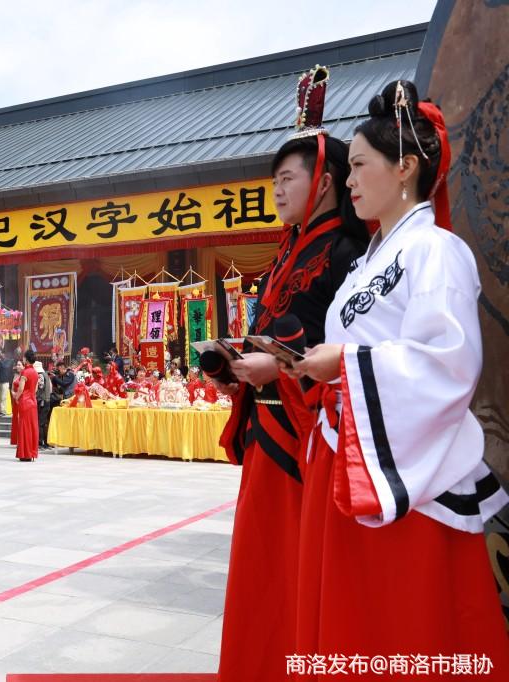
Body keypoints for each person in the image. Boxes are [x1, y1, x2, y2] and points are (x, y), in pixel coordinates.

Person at [281, 79, 509, 676]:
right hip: (353, 448)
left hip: (399, 468)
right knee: (355, 620)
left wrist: (348, 363)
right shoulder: (368, 262)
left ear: (405, 167)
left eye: (358, 165)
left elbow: (448, 363)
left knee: (399, 620)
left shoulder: (436, 251)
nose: (348, 180)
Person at [213, 66, 370, 682]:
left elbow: (349, 352)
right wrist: (238, 370)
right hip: (270, 433)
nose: (276, 191)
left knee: (292, 572)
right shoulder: (288, 249)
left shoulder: (346, 253)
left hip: (307, 441)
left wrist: (278, 374)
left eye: (287, 178)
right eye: (273, 181)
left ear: (325, 181)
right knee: (263, 570)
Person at [14, 351, 39, 461]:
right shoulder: (35, 372)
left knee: (24, 428)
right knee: (32, 428)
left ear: (26, 359)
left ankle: (25, 454)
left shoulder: (25, 372)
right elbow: (36, 389)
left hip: (25, 401)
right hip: (33, 402)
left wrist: (16, 397)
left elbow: (20, 388)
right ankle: (31, 453)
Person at [35, 360, 53, 450]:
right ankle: (46, 443)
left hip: (41, 401)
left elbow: (39, 387)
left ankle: (40, 443)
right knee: (44, 423)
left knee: (40, 423)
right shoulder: (46, 375)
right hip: (47, 401)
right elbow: (50, 389)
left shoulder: (40, 375)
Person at [9, 360, 24, 446]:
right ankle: (16, 439)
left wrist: (17, 395)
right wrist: (13, 393)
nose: (17, 366)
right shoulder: (15, 375)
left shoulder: (25, 375)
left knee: (20, 419)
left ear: (23, 366)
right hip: (15, 399)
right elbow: (12, 387)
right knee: (15, 418)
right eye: (17, 365)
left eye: (19, 365)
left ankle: (21, 439)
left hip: (21, 399)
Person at [0, 350, 13, 417]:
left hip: (5, 381)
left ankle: (3, 411)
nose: (0, 355)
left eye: (1, 353)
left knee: (3, 397)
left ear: (4, 354)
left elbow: (6, 367)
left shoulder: (9, 361)